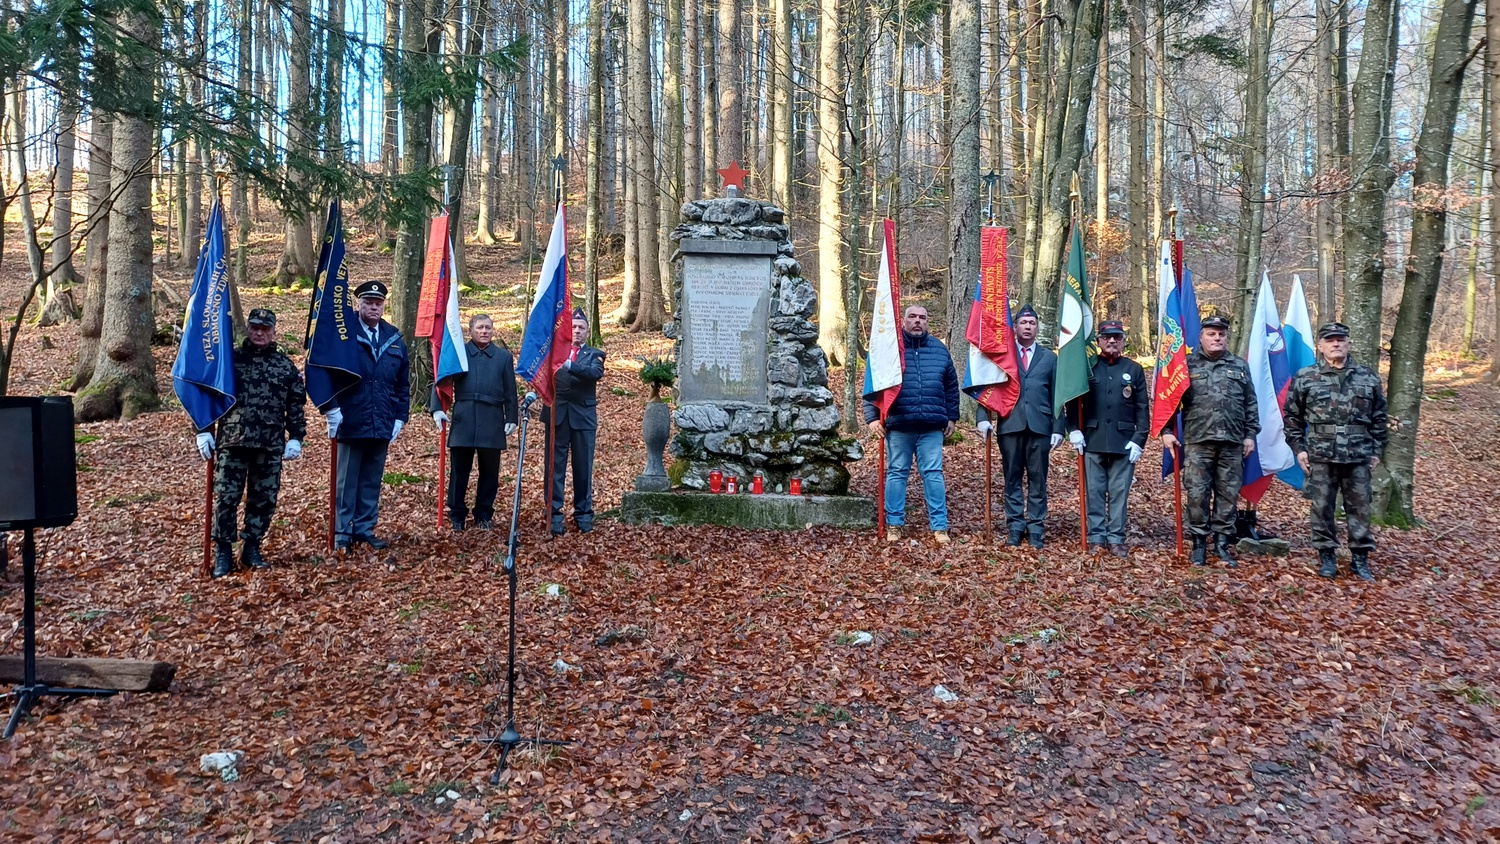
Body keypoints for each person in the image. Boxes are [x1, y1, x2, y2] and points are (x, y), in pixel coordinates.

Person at [196, 308, 307, 578]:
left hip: (269, 445)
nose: (259, 333)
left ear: (274, 332)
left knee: (263, 500)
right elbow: (207, 395)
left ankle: (252, 548)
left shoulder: (285, 366)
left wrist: (296, 437)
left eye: (265, 329)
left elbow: (295, 405)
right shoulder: (229, 361)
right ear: (248, 329)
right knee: (226, 499)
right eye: (255, 328)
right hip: (232, 441)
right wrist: (203, 430)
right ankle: (223, 551)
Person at [1282, 322, 1388, 581]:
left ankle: (1360, 559)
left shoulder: (1367, 376)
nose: (1336, 344)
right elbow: (1292, 417)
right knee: (1321, 508)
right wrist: (1299, 448)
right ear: (1320, 347)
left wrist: (1376, 450)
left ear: (1349, 344)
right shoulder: (1306, 377)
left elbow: (1379, 417)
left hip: (1358, 455)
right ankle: (1327, 556)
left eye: (1340, 340)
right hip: (1320, 454)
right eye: (1330, 340)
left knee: (1360, 508)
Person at [1161, 315, 1258, 567]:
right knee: (1197, 494)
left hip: (1232, 442)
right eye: (1211, 334)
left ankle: (1222, 544)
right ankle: (1199, 545)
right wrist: (1167, 430)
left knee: (1228, 495)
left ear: (1227, 337)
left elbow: (1250, 402)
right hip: (1198, 441)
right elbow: (1170, 399)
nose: (1217, 338)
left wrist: (1250, 435)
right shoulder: (1186, 365)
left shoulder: (1239, 366)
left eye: (1221, 334)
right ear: (1201, 337)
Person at [323, 280, 410, 552]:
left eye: (378, 303)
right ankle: (341, 532)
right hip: (350, 418)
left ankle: (364, 528)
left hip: (381, 419)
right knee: (346, 482)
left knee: (371, 480)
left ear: (384, 306)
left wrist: (400, 417)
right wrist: (331, 409)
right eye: (368, 302)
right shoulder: (343, 335)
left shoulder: (394, 338)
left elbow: (402, 384)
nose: (373, 307)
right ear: (358, 304)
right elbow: (328, 375)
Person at [864, 305, 960, 544]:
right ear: (904, 320)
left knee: (933, 474)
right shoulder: (891, 348)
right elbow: (874, 381)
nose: (918, 321)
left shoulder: (939, 350)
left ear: (927, 322)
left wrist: (952, 416)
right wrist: (872, 417)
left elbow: (951, 386)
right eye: (912, 317)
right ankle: (894, 524)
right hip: (899, 424)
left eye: (922, 317)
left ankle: (940, 526)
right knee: (897, 473)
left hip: (931, 426)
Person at [977, 304, 1064, 548]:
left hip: (1040, 427)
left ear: (1037, 328)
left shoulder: (1050, 358)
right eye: (1023, 323)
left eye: (1032, 323)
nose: (1028, 327)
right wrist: (982, 417)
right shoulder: (1003, 355)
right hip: (1010, 424)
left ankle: (1036, 527)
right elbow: (988, 387)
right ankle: (1015, 525)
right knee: (1012, 477)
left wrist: (1059, 428)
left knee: (1038, 479)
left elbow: (1057, 395)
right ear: (1014, 327)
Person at [1064, 320, 1149, 557]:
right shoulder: (1087, 367)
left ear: (1123, 341)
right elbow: (1073, 401)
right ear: (1098, 341)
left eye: (1117, 337)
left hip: (1124, 441)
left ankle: (1116, 538)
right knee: (1094, 491)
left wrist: (1139, 439)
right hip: (1092, 439)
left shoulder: (1134, 369)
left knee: (1120, 492)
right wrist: (1074, 428)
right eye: (1107, 337)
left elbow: (1142, 407)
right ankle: (1096, 537)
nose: (1112, 341)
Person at [432, 314, 519, 531]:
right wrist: (436, 408)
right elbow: (442, 379)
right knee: (459, 471)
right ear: (470, 330)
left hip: (492, 418)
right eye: (479, 327)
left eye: (488, 327)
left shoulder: (503, 357)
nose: (484, 331)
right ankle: (457, 515)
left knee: (490, 472)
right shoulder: (459, 354)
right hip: (465, 418)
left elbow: (510, 391)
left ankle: (483, 514)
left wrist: (512, 417)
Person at [543, 309, 605, 536]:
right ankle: (553, 515)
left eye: (581, 328)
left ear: (588, 332)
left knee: (583, 467)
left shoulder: (595, 354)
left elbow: (594, 374)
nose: (577, 331)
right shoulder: (553, 353)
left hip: (583, 418)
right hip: (556, 415)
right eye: (574, 327)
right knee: (554, 468)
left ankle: (584, 514)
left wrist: (570, 365)